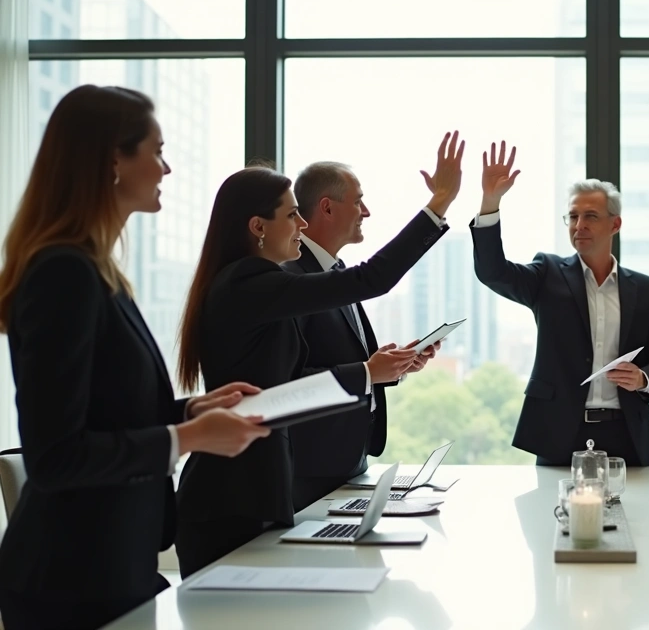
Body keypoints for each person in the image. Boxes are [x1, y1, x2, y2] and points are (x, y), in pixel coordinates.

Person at [0, 86, 269, 629]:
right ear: (113, 162)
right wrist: (188, 439)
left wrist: (188, 412)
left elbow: (106, 411)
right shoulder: (63, 273)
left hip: (115, 566)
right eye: (157, 150)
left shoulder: (98, 272)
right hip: (70, 582)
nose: (167, 169)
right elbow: (55, 456)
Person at [174, 132, 464, 577]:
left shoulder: (254, 286)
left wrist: (374, 372)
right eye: (292, 215)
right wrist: (438, 203)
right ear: (258, 227)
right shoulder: (248, 282)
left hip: (260, 491)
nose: (303, 225)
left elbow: (289, 389)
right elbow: (373, 279)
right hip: (230, 498)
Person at [469, 142, 649, 467]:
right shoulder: (547, 274)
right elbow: (492, 272)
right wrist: (490, 202)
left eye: (591, 216)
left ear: (615, 224)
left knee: (634, 518)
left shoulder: (646, 290)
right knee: (553, 518)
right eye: (573, 216)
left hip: (626, 435)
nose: (579, 225)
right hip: (559, 433)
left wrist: (643, 378)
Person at [284, 161, 439, 510]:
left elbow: (344, 360)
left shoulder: (335, 270)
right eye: (358, 202)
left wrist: (393, 365)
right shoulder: (294, 279)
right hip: (311, 472)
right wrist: (369, 372)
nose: (366, 212)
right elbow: (288, 382)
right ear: (327, 207)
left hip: (348, 464)